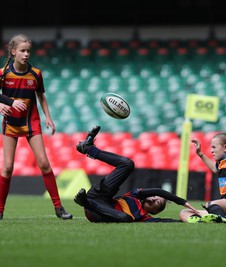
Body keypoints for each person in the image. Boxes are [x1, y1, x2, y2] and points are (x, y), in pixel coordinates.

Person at [0, 34, 72, 220]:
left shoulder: (36, 74)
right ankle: (0, 210)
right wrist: (4, 104)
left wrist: (48, 117)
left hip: (31, 123)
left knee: (45, 164)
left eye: (28, 51)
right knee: (7, 168)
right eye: (22, 51)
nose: (26, 54)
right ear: (13, 51)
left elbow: (41, 96)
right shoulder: (4, 73)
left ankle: (58, 208)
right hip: (11, 123)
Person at [74, 125, 200, 223]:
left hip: (96, 213)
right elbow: (158, 190)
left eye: (157, 203)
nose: (154, 198)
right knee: (128, 164)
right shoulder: (134, 195)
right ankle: (89, 149)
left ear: (154, 212)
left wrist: (189, 219)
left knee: (126, 218)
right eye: (155, 197)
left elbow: (167, 221)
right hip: (98, 195)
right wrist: (183, 202)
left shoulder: (144, 217)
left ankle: (86, 202)